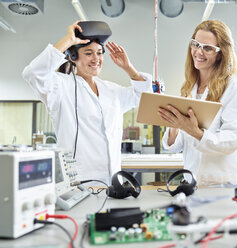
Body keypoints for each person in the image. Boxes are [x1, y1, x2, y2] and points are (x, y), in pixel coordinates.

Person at [22, 21, 152, 185]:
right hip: (80, 183)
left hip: (113, 182)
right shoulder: (60, 87)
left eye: (99, 53)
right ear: (73, 57)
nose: (96, 59)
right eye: (89, 53)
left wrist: (128, 68)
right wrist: (68, 40)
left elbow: (143, 96)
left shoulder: (112, 90)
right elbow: (33, 73)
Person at [158, 20, 237, 186]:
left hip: (218, 183)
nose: (198, 52)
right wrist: (173, 125)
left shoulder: (234, 87)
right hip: (190, 179)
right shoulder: (189, 87)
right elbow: (178, 145)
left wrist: (195, 132)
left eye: (207, 48)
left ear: (221, 54)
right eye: (195, 44)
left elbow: (234, 138)